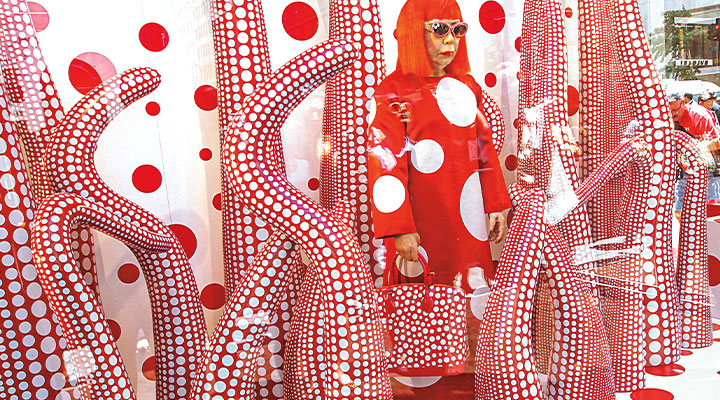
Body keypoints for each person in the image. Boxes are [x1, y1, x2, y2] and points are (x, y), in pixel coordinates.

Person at [368, 0, 510, 292]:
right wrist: (399, 227)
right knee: (420, 298)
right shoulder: (393, 91)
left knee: (469, 286)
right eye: (439, 29)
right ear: (413, 33)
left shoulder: (467, 87)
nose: (450, 40)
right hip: (421, 217)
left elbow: (483, 149)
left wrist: (495, 204)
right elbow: (385, 163)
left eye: (457, 30)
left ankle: (468, 336)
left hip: (467, 211)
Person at [668, 93, 720, 219]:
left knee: (710, 213)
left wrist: (698, 148)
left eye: (675, 110)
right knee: (680, 211)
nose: (673, 114)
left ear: (683, 104)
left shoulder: (699, 116)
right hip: (684, 170)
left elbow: (717, 142)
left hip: (708, 171)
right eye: (670, 111)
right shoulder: (667, 117)